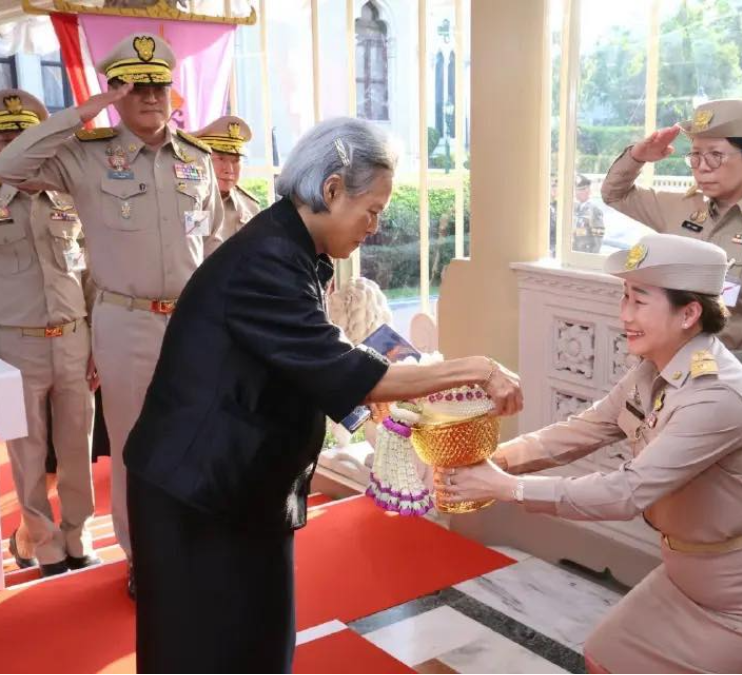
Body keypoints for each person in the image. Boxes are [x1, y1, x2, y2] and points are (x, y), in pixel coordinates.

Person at [122, 116, 524, 674]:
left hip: (239, 485)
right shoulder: (267, 261)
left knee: (256, 646)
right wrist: (477, 369)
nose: (376, 226)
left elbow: (299, 363)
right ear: (332, 190)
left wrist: (368, 405)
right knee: (204, 653)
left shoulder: (292, 247)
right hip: (201, 492)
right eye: (373, 210)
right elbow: (345, 368)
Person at [436, 233, 742, 674]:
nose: (625, 315)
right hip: (689, 578)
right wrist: (497, 460)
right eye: (624, 297)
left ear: (689, 313)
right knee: (606, 654)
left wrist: (507, 488)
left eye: (640, 302)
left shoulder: (717, 395)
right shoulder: (652, 369)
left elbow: (626, 492)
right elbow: (582, 430)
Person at [0, 33, 225, 596]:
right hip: (126, 320)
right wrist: (88, 109)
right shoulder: (85, 156)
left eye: (159, 84)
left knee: (197, 433)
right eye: (135, 84)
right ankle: (141, 553)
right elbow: (11, 163)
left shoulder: (197, 160)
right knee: (131, 444)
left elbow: (218, 245)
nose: (151, 95)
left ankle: (193, 537)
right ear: (117, 91)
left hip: (194, 321)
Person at [601, 98, 742, 463]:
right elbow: (614, 193)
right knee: (672, 487)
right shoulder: (681, 208)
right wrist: (639, 155)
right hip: (673, 378)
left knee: (735, 494)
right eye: (695, 156)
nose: (702, 168)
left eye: (715, 155)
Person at [0, 89, 99, 577]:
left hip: (75, 338)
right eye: (7, 136)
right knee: (27, 452)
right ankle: (44, 542)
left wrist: (97, 339)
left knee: (78, 445)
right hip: (13, 344)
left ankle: (78, 534)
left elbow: (90, 275)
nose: (18, 143)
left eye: (26, 134)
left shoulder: (69, 197)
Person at [191, 115, 261, 239]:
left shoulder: (250, 206)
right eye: (220, 159)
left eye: (235, 161)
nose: (229, 170)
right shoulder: (192, 203)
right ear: (200, 161)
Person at [573, 173, 604, 253]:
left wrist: (593, 256)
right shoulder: (576, 208)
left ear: (588, 191)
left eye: (581, 189)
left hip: (586, 252)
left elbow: (598, 237)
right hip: (574, 251)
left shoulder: (594, 211)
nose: (577, 193)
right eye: (576, 189)